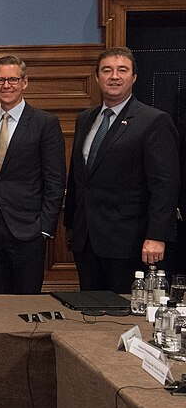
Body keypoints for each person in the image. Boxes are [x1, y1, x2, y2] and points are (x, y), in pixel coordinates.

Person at [64, 47, 180, 292]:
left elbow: (165, 185)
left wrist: (157, 235)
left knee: (125, 318)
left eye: (122, 70)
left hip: (129, 242)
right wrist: (71, 228)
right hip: (87, 241)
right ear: (97, 77)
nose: (114, 76)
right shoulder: (85, 119)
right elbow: (79, 179)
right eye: (107, 70)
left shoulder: (154, 121)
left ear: (134, 77)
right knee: (90, 314)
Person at [0, 56, 66, 294]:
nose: (6, 85)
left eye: (12, 79)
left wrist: (45, 227)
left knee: (26, 300)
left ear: (25, 82)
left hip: (28, 228)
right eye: (0, 79)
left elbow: (55, 180)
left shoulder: (45, 123)